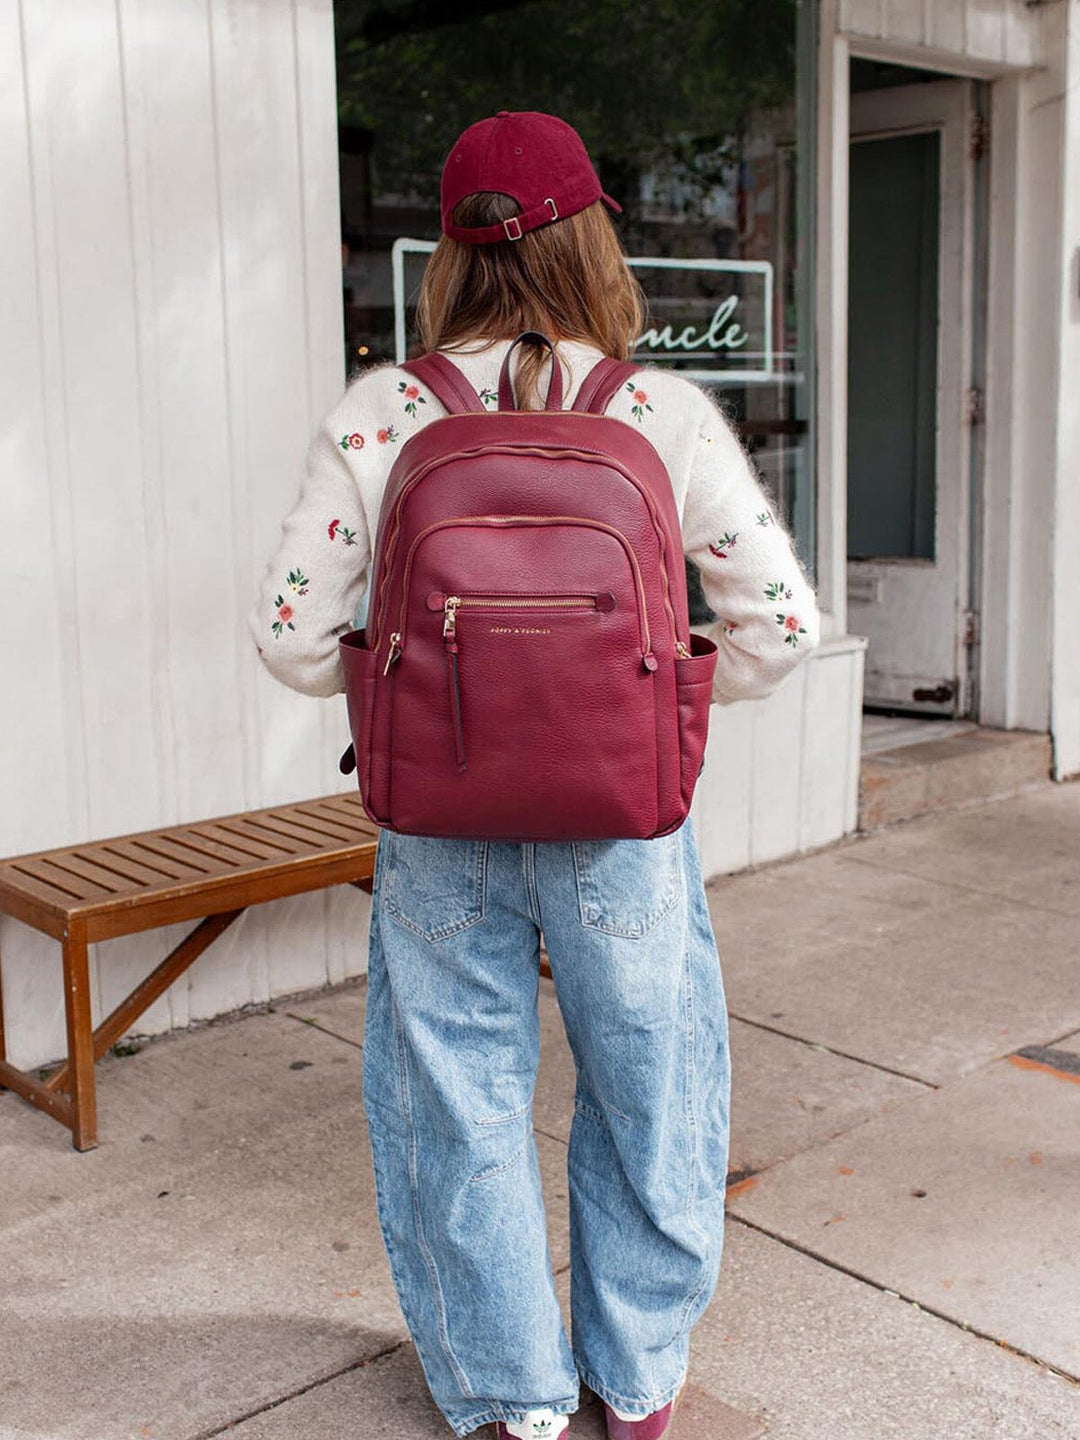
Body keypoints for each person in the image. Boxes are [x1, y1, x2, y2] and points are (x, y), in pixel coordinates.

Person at [249, 111, 819, 1440]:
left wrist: (417, 686)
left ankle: (510, 1402)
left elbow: (288, 636)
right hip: (620, 822)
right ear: (591, 238)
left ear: (449, 249)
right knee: (649, 1091)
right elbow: (779, 628)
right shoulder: (657, 412)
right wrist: (650, 702)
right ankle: (633, 1388)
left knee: (458, 1108)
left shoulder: (385, 413)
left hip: (439, 825)